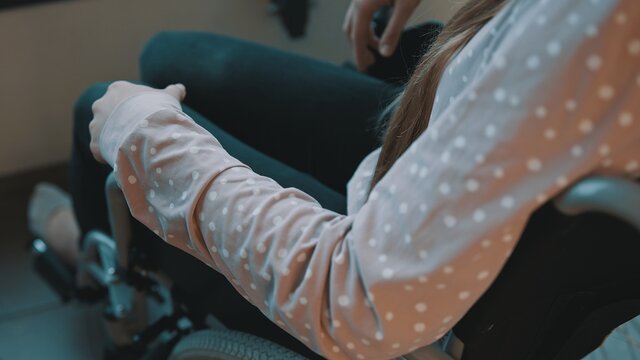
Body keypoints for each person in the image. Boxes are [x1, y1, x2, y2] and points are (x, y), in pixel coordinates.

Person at [28, 0, 640, 358]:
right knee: (170, 56)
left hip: (401, 301)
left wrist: (147, 139)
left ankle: (97, 260)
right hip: (441, 159)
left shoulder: (598, 25)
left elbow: (359, 301)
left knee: (100, 109)